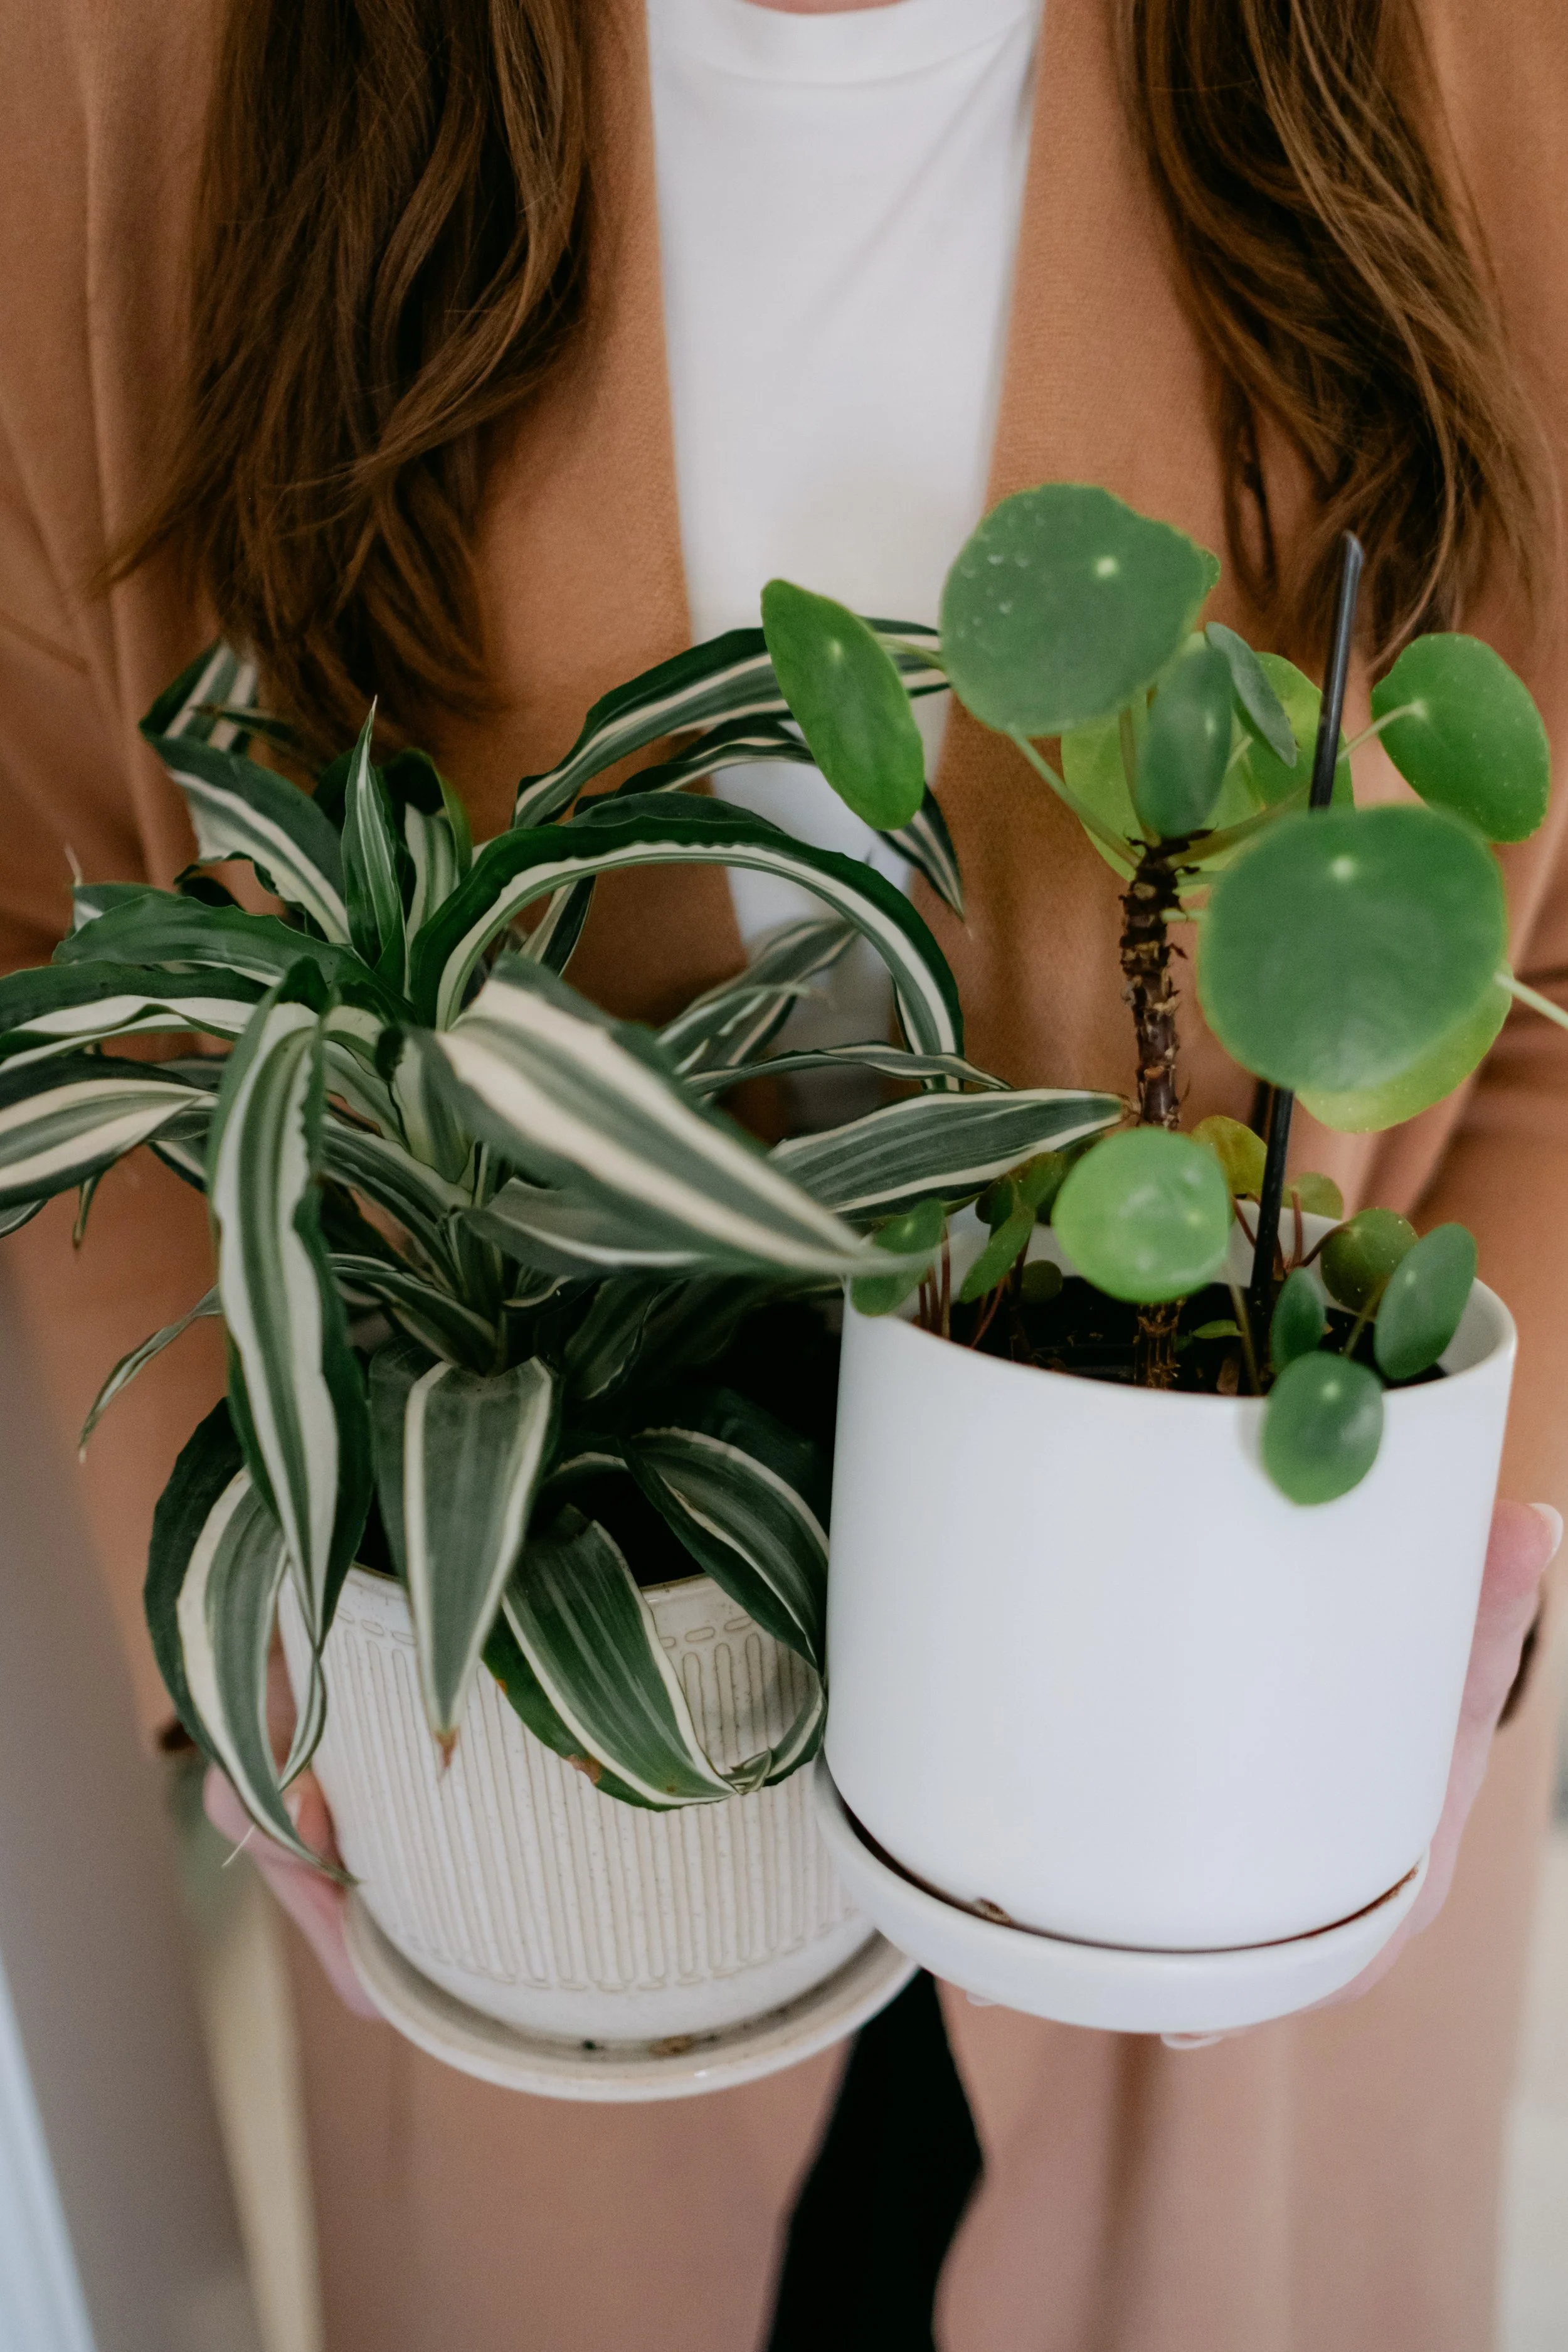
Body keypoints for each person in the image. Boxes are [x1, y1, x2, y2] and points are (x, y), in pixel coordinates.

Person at [1, 0, 1564, 2343]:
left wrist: (1441, 1621)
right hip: (529, 1764)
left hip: (1229, 1822)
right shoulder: (121, 68)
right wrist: (258, 1652)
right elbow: (59, 927)